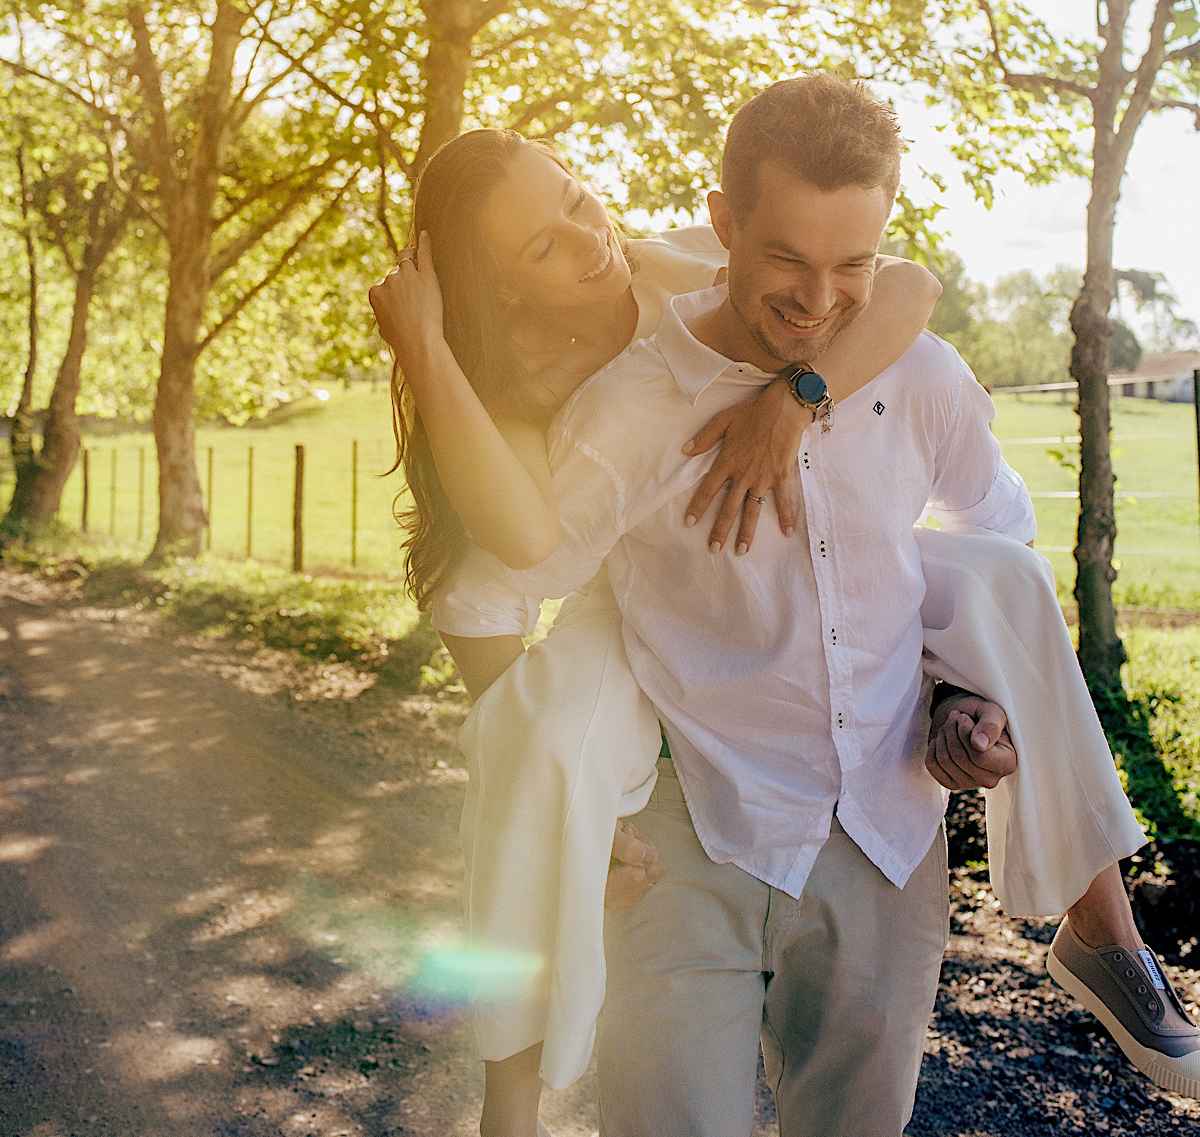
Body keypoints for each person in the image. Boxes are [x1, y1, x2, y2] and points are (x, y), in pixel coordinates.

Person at [370, 81, 1196, 1134]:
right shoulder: (590, 405)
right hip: (678, 756)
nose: (818, 299)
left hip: (883, 824)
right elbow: (497, 579)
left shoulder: (890, 359)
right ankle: (512, 1096)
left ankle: (1103, 924)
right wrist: (567, 785)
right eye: (542, 245)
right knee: (540, 755)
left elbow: (921, 323)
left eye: (576, 199)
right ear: (727, 227)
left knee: (1010, 582)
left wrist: (955, 691)